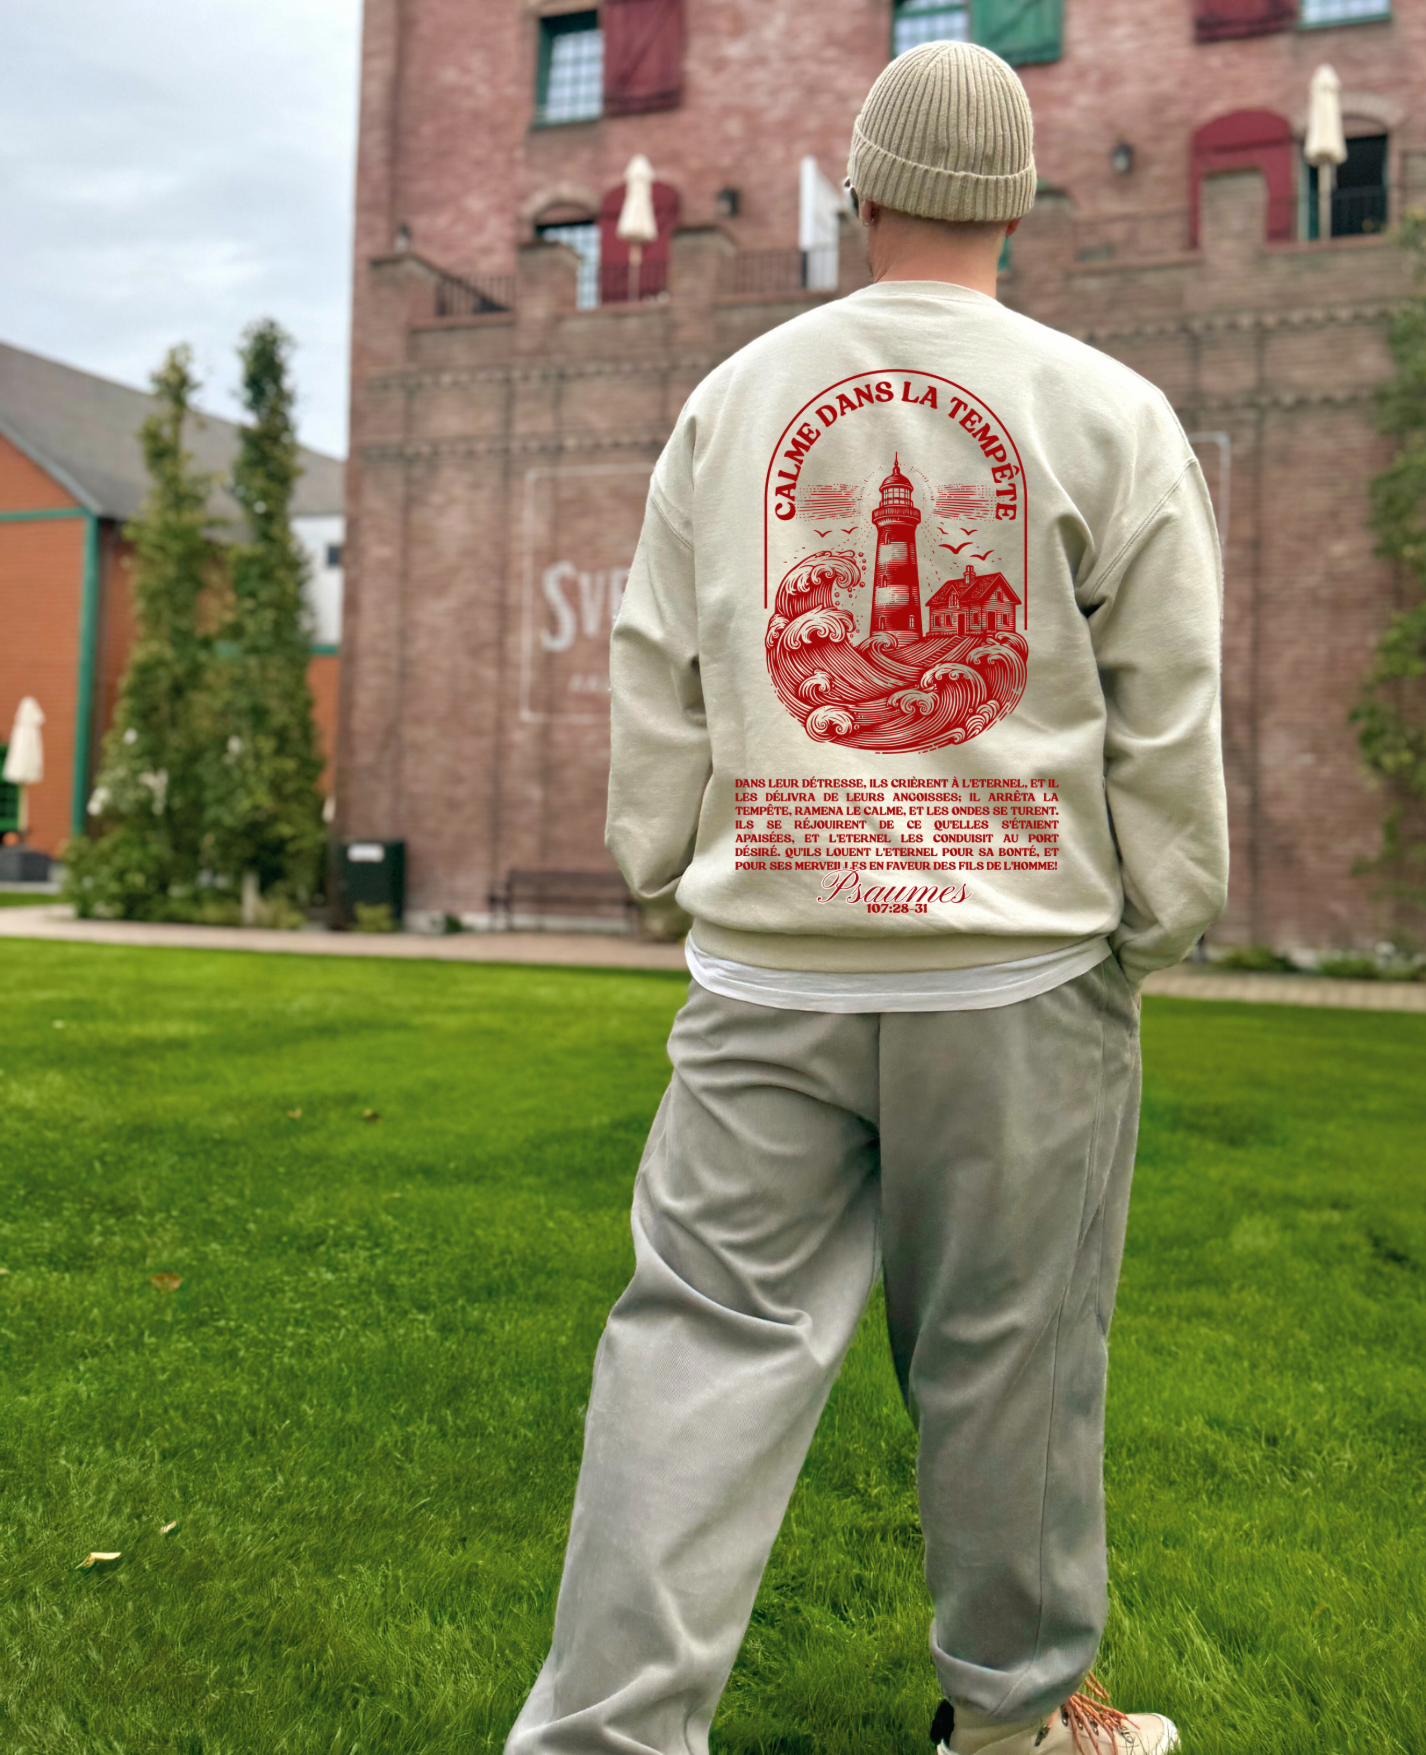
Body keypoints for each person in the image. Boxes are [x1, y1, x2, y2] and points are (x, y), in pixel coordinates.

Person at [506, 40, 1227, 1755]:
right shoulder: (1107, 411)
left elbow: (658, 666)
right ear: (1020, 199)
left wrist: (666, 862)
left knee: (694, 1348)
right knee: (1008, 1358)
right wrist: (1159, 912)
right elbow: (1167, 705)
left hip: (768, 965)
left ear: (858, 187)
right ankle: (1011, 1726)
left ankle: (605, 1736)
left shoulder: (733, 400)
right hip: (1015, 973)